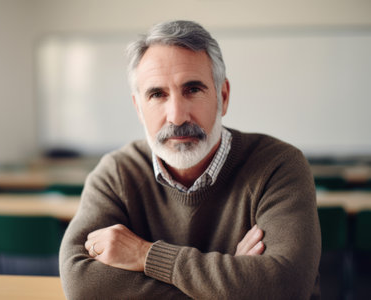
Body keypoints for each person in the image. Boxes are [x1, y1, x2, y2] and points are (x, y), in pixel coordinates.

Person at [59, 20, 321, 299]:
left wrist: (145, 255)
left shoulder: (278, 165)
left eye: (193, 90)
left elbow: (285, 287)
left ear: (223, 96)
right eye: (157, 94)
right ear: (138, 108)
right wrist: (232, 283)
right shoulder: (116, 173)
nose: (177, 116)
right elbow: (81, 283)